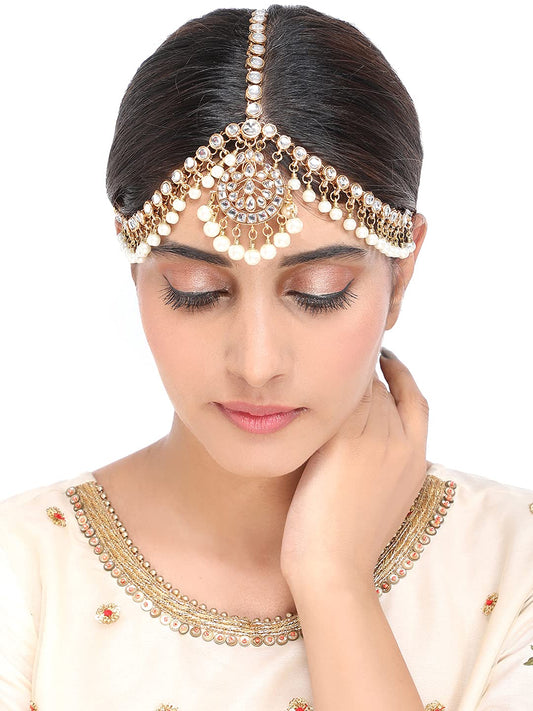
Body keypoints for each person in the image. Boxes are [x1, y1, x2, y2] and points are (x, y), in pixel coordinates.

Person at [1, 5, 532, 711]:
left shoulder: (514, 569)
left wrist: (333, 579)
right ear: (137, 275)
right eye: (196, 290)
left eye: (319, 292)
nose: (256, 364)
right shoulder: (23, 575)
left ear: (400, 278)